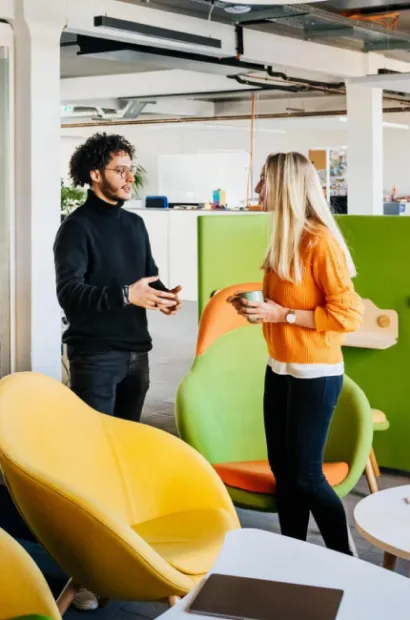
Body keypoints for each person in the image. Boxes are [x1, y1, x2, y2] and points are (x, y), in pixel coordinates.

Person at [53, 133, 182, 610]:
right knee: (92, 466)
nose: (130, 177)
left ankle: (120, 557)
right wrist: (126, 295)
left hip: (135, 354)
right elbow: (70, 294)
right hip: (95, 356)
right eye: (120, 169)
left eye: (131, 169)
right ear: (95, 175)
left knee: (124, 461)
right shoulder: (76, 228)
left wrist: (164, 297)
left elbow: (148, 275)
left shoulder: (135, 224)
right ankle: (87, 572)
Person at [229, 152, 363, 556]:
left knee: (306, 476)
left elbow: (348, 315)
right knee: (284, 474)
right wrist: (256, 307)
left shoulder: (319, 242)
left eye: (264, 180)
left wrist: (281, 314)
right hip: (280, 369)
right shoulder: (285, 239)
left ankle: (345, 559)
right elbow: (289, 302)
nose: (257, 188)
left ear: (285, 185)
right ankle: (295, 557)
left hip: (315, 375)